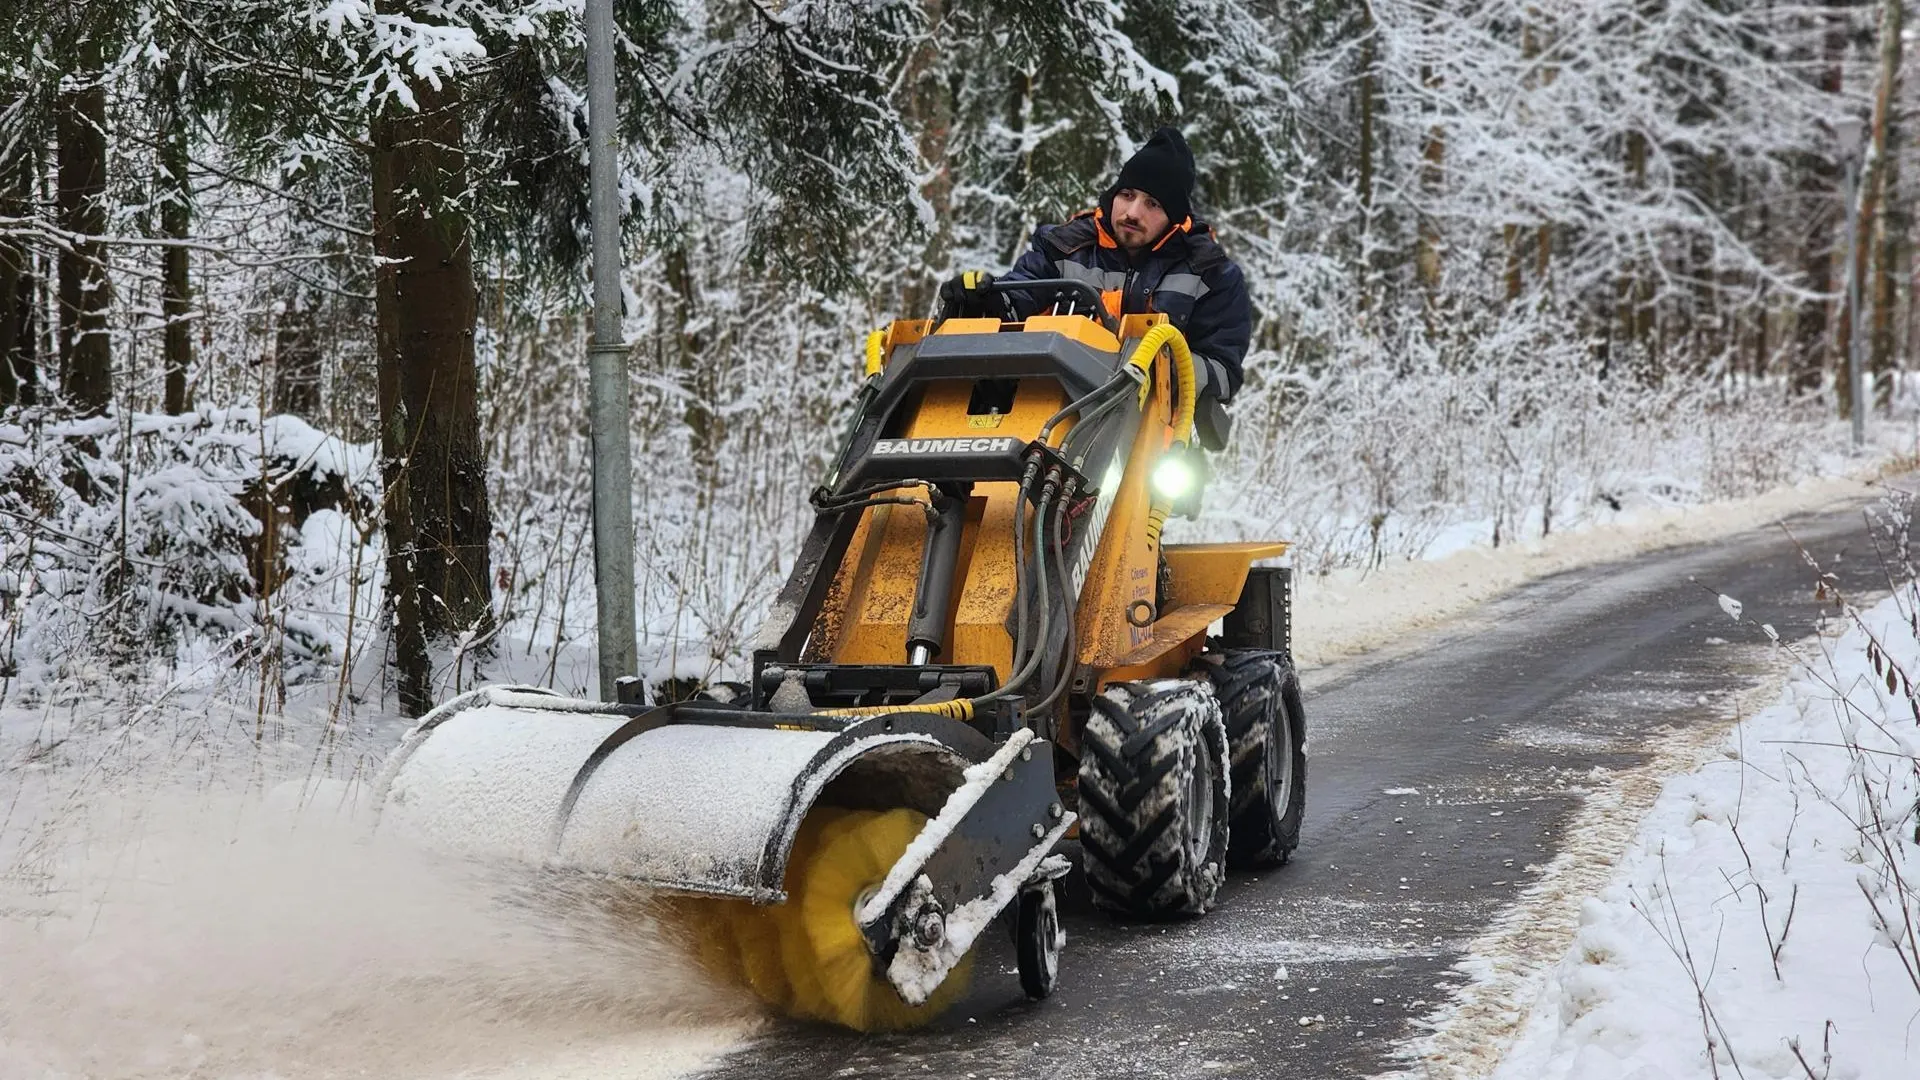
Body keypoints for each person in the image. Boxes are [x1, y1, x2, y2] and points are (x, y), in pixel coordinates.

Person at [938, 126, 1253, 409]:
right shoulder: (1064, 247)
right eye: (1127, 195)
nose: (1132, 212)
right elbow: (1018, 299)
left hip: (1147, 425)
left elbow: (1224, 372)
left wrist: (1158, 366)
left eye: (1152, 204)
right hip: (1038, 405)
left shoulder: (1210, 273)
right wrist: (983, 300)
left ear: (1175, 216)